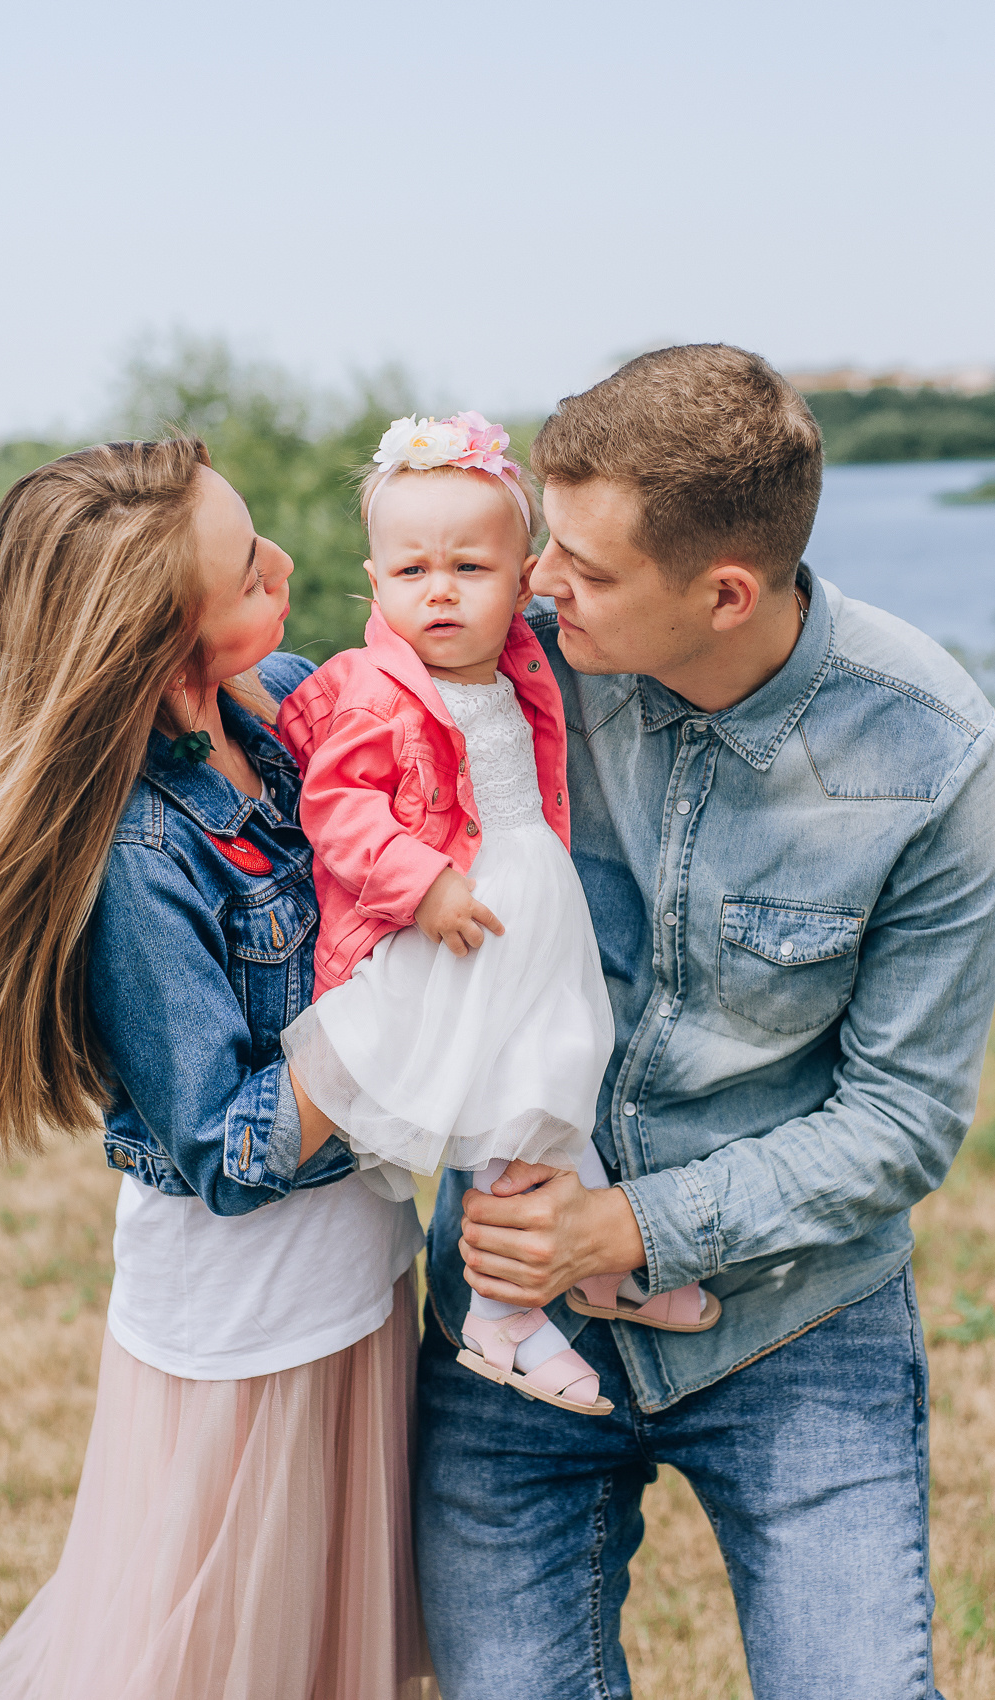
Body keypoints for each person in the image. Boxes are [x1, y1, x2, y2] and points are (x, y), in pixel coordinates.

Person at [416, 346, 995, 1700]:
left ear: (725, 594)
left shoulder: (934, 751)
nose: (536, 582)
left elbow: (901, 1121)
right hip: (509, 1320)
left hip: (797, 1324)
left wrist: (630, 1227)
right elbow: (315, 708)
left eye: (584, 566)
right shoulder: (513, 654)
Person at [0, 438, 429, 1699]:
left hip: (357, 1274)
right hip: (250, 1330)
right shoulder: (137, 856)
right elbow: (226, 1145)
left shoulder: (281, 713)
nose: (287, 563)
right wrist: (396, 1007)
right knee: (212, 1661)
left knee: (332, 1650)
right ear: (174, 658)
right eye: (249, 571)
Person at [279, 413, 717, 1422]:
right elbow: (337, 806)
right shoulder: (376, 690)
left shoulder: (521, 659)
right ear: (374, 583)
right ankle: (501, 1310)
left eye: (469, 568)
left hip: (533, 916)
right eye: (412, 570)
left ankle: (593, 1267)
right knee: (520, 1097)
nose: (439, 591)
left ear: (524, 584)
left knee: (562, 1069)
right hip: (457, 926)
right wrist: (419, 881)